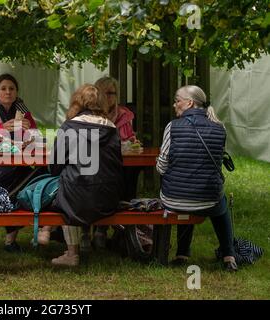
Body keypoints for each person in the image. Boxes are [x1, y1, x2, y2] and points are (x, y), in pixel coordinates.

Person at [156, 85, 238, 272]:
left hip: (173, 200)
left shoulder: (172, 127)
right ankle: (229, 256)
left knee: (187, 188)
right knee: (219, 201)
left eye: (177, 100)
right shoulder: (220, 127)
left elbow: (161, 167)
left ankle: (182, 254)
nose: (174, 104)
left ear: (189, 103)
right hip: (209, 200)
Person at [48, 84, 125, 266]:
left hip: (75, 199)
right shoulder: (112, 129)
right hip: (108, 199)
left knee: (66, 187)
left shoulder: (69, 127)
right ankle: (98, 235)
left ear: (77, 101)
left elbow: (55, 166)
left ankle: (72, 253)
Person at [0, 73, 44, 252]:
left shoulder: (22, 109)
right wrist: (2, 129)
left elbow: (36, 135)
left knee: (39, 174)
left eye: (11, 89)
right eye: (3, 89)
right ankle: (12, 239)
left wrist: (29, 137)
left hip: (19, 161)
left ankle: (14, 238)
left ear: (17, 92)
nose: (8, 92)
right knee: (16, 179)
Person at [93, 76, 152, 252]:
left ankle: (123, 228)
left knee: (131, 174)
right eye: (106, 93)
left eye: (113, 93)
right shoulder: (90, 115)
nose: (110, 97)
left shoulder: (125, 115)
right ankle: (104, 228)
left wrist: (133, 142)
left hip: (120, 164)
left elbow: (129, 138)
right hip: (97, 167)